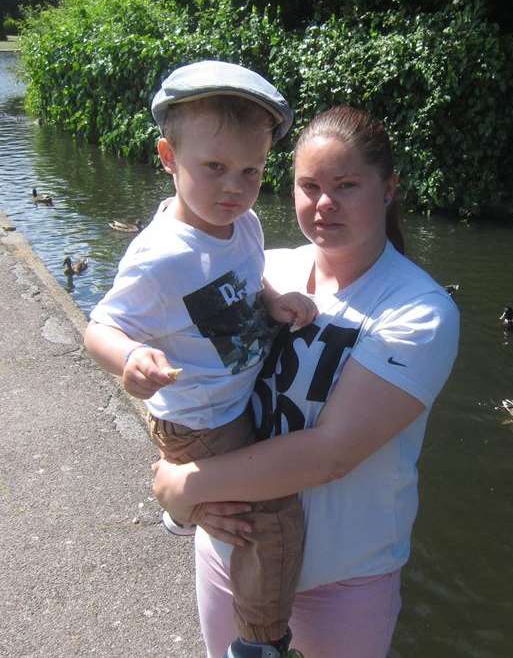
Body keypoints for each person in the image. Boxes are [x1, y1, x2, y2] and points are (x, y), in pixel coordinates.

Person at [152, 105, 460, 658]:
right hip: (233, 552)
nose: (323, 204)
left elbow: (331, 454)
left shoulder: (419, 312)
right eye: (308, 185)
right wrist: (186, 501)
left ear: (388, 189)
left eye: (346, 185)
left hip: (343, 581)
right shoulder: (264, 269)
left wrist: (187, 486)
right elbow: (193, 384)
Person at [83, 61, 317, 658]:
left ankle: (184, 508)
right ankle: (260, 641)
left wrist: (272, 297)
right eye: (213, 168)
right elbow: (99, 327)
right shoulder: (160, 256)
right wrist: (132, 356)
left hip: (234, 398)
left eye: (251, 171)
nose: (233, 188)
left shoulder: (243, 225)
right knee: (273, 517)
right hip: (198, 419)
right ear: (168, 157)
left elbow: (246, 275)